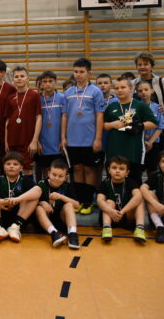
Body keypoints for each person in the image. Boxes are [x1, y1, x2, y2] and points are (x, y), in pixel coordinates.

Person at [61, 58, 104, 215]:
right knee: (77, 169)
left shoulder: (96, 91)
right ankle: (79, 201)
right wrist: (63, 137)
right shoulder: (68, 93)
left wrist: (98, 138)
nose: (78, 75)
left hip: (89, 139)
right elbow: (64, 116)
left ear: (89, 73)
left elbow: (99, 115)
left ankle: (88, 201)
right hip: (72, 139)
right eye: (76, 71)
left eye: (81, 72)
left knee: (89, 169)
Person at [103, 78, 157, 184]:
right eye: (117, 88)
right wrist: (112, 124)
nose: (119, 90)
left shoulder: (140, 106)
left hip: (133, 150)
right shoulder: (111, 107)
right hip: (114, 149)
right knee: (113, 181)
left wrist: (139, 126)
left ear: (131, 88)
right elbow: (103, 126)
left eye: (123, 87)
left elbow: (154, 122)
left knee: (134, 181)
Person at [0, 151, 41, 243]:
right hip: (1, 214)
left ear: (21, 168)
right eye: (8, 164)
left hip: (19, 217)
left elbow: (38, 190)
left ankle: (15, 227)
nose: (11, 166)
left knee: (32, 196)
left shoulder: (24, 180)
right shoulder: (0, 178)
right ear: (4, 167)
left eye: (15, 164)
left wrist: (18, 199)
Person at [132, 51, 164, 151]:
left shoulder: (162, 82)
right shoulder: (132, 83)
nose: (142, 67)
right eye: (139, 64)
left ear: (152, 66)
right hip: (139, 129)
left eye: (146, 64)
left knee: (160, 155)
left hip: (159, 129)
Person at [97, 156, 146, 243]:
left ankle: (140, 228)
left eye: (121, 169)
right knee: (109, 202)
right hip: (110, 217)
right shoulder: (104, 183)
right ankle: (106, 228)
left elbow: (138, 196)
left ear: (127, 172)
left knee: (139, 201)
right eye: (114, 168)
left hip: (126, 216)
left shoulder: (130, 182)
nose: (117, 171)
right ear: (109, 170)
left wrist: (122, 211)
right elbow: (99, 201)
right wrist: (111, 211)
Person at [4, 66, 41, 178]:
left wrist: (34, 141)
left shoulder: (34, 95)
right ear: (13, 79)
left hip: (27, 139)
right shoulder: (10, 97)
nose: (19, 78)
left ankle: (29, 189)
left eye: (22, 76)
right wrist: (6, 141)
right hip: (12, 139)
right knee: (13, 168)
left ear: (27, 79)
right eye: (16, 76)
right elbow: (7, 120)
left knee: (27, 168)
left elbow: (39, 118)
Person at [35, 159, 80, 249]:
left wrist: (60, 197)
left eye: (60, 176)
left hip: (61, 222)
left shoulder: (67, 186)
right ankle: (54, 234)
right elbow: (32, 202)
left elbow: (77, 205)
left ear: (65, 178)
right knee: (39, 208)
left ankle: (72, 234)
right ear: (48, 173)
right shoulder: (41, 184)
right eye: (54, 175)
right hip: (45, 224)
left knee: (69, 205)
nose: (56, 178)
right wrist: (42, 203)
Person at [37, 71, 65, 182]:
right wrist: (36, 141)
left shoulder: (62, 98)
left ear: (55, 82)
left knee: (59, 170)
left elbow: (65, 120)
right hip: (43, 143)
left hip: (58, 142)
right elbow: (34, 122)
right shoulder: (37, 99)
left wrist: (63, 139)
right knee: (45, 171)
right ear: (41, 83)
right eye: (45, 81)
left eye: (50, 81)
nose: (47, 84)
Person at [136, 80, 164, 177]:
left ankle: (151, 186)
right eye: (140, 91)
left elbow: (160, 127)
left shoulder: (158, 108)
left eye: (146, 89)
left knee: (152, 169)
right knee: (137, 170)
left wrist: (150, 142)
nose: (143, 92)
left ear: (152, 90)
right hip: (138, 144)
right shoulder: (134, 107)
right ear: (137, 93)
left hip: (153, 144)